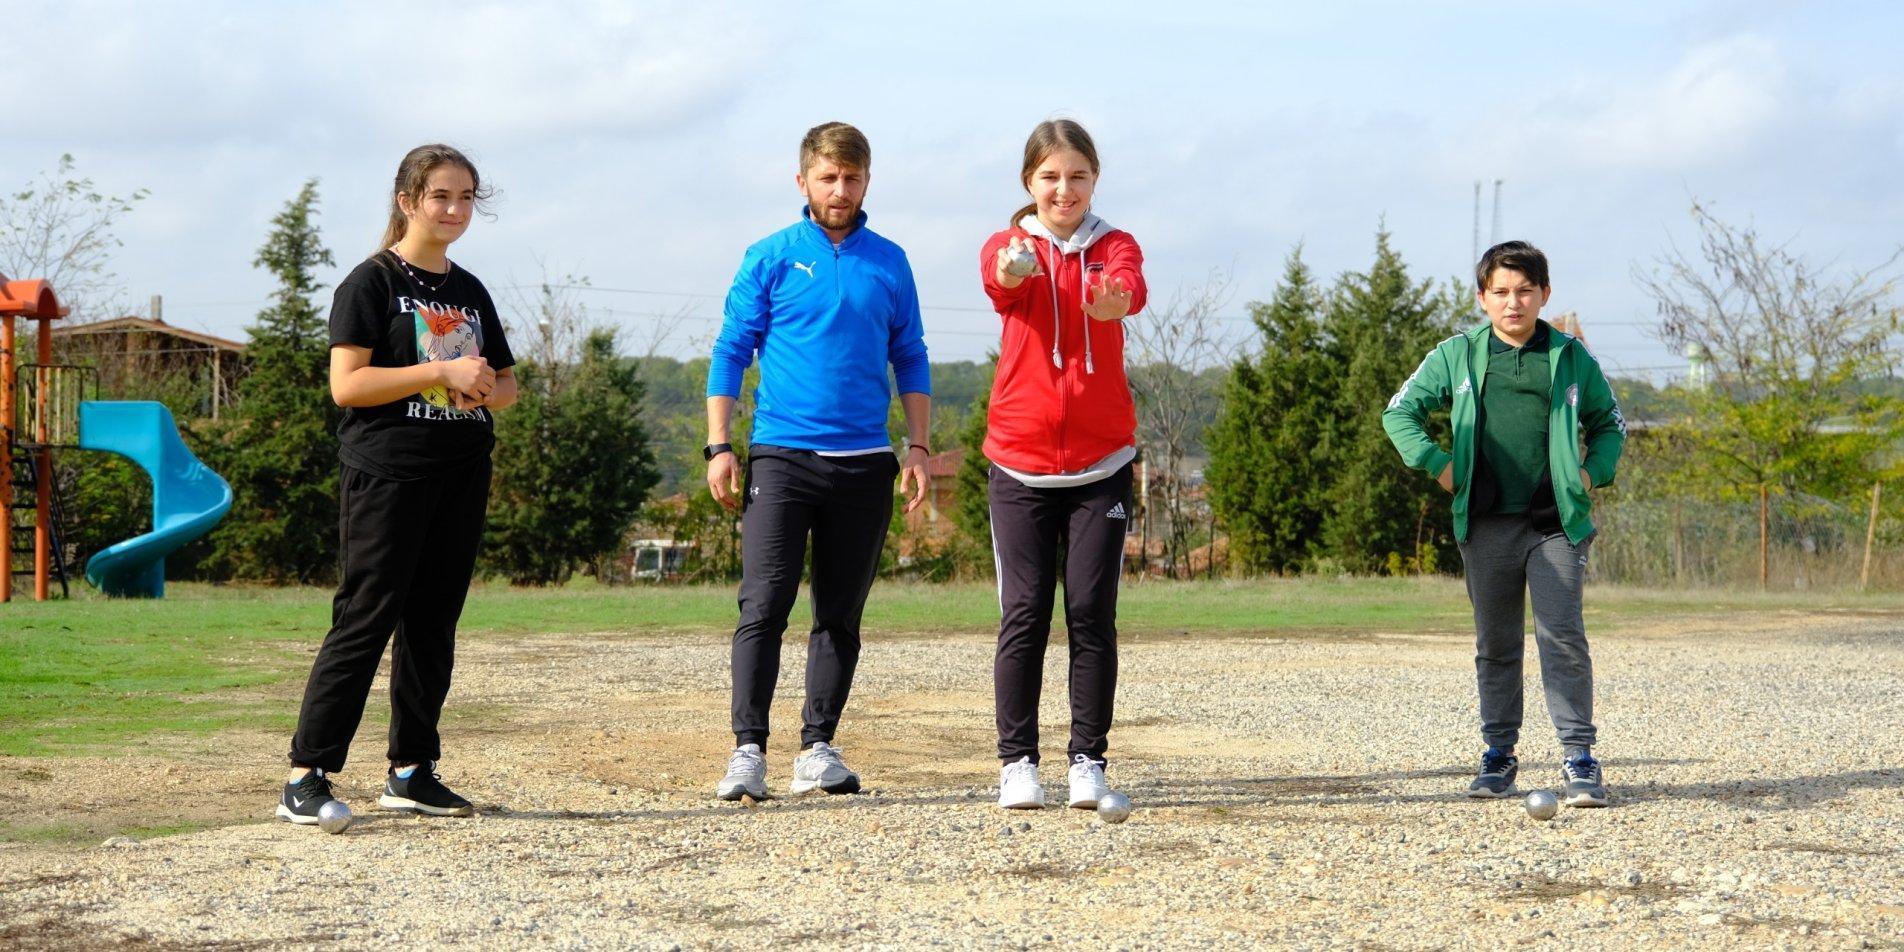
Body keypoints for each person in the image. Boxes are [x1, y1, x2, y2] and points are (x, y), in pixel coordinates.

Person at [278, 144, 518, 826]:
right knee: (366, 617)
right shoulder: (372, 282)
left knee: (433, 622)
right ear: (408, 200)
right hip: (387, 473)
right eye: (441, 196)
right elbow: (347, 385)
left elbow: (506, 385)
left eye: (466, 197)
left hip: (461, 471)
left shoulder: (469, 290)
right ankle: (307, 774)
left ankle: (413, 770)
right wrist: (438, 374)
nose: (455, 209)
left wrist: (480, 388)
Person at [707, 121, 931, 801]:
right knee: (764, 604)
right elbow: (730, 353)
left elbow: (911, 355)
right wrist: (719, 446)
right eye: (828, 177)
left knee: (840, 613)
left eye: (853, 178)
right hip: (782, 456)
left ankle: (818, 748)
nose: (841, 189)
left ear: (867, 181)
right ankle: (748, 751)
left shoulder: (890, 260)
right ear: (802, 181)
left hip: (865, 462)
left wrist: (917, 444)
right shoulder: (770, 255)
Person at [1382, 240, 1626, 807]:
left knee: (1561, 637)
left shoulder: (1571, 357)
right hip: (1486, 522)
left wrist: (1589, 477)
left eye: (1524, 291)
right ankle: (1498, 756)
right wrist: (1441, 468)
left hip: (1555, 524)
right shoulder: (1455, 355)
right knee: (1496, 643)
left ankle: (1579, 759)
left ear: (1544, 294)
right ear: (1482, 298)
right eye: (1500, 292)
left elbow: (1610, 423)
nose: (1512, 303)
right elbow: (1399, 412)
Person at [978, 119, 1147, 810]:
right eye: (1050, 176)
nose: (1064, 188)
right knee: (1024, 612)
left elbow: (1127, 287)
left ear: (1094, 179)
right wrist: (1015, 268)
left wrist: (1113, 298)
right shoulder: (1009, 243)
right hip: (1018, 465)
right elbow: (1001, 279)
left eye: (1077, 175)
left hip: (1100, 466)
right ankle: (1017, 762)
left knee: (1089, 612)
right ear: (1029, 183)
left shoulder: (1115, 244)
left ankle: (1088, 760)